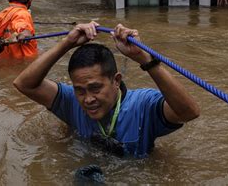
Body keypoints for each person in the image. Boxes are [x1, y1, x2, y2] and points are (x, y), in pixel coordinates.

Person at [13, 22, 200, 158]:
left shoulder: (143, 105)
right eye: (80, 90)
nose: (87, 99)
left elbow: (189, 112)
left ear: (116, 80)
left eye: (95, 88)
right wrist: (67, 43)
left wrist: (145, 60)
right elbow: (24, 84)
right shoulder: (71, 101)